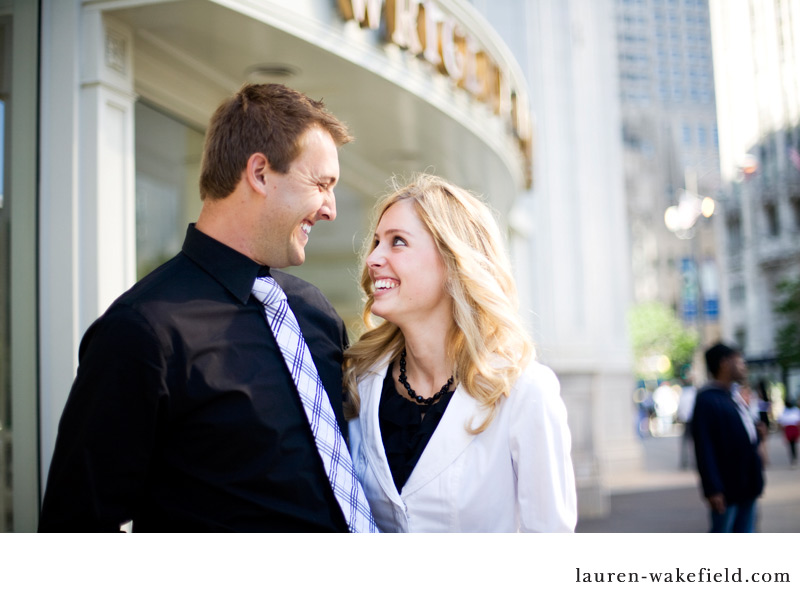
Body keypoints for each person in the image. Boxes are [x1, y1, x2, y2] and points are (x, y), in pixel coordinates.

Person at [39, 83, 376, 532]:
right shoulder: (141, 332)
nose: (330, 209)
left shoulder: (314, 313)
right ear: (259, 173)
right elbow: (76, 530)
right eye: (321, 184)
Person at [343, 173, 577, 532]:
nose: (373, 258)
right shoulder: (361, 380)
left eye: (397, 242)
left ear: (453, 262)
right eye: (376, 242)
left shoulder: (525, 391)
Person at [691, 343, 765, 533]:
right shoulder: (707, 399)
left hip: (746, 485)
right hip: (727, 489)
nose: (743, 366)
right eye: (739, 361)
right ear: (724, 363)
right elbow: (704, 447)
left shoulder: (731, 396)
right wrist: (713, 488)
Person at [776, 398, 800, 467]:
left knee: (792, 444)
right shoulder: (786, 411)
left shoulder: (794, 410)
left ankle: (794, 457)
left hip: (792, 428)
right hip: (789, 429)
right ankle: (793, 457)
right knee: (791, 444)